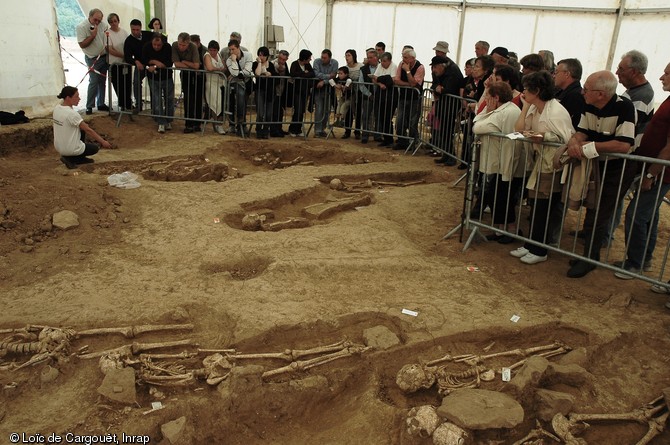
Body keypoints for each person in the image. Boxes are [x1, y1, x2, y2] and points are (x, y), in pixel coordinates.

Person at [564, 71, 637, 278]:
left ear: (601, 94)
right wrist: (574, 142)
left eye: (586, 89)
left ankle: (589, 259)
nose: (582, 91)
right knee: (592, 209)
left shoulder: (624, 107)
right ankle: (589, 256)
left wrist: (590, 145)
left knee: (599, 214)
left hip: (618, 168)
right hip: (597, 165)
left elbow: (623, 145)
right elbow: (580, 132)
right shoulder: (589, 105)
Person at [508, 71, 574, 265]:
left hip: (552, 165)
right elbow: (518, 129)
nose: (523, 92)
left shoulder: (556, 111)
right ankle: (531, 244)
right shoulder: (534, 108)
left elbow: (566, 139)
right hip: (539, 162)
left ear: (537, 90)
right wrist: (526, 106)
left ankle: (540, 248)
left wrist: (544, 137)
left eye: (527, 89)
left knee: (544, 207)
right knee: (535, 205)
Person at [615, 60, 667, 279]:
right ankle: (643, 259)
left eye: (667, 73)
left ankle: (634, 263)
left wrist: (650, 174)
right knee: (649, 215)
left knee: (636, 214)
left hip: (660, 172)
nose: (662, 77)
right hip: (655, 168)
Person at [473, 81, 523, 242]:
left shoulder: (509, 111)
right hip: (495, 161)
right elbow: (477, 122)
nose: (485, 99)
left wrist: (487, 111)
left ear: (496, 97)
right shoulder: (499, 110)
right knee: (497, 197)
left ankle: (511, 230)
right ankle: (501, 229)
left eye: (488, 96)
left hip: (505, 163)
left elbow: (478, 127)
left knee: (503, 198)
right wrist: (488, 110)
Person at [53, 86, 112, 169]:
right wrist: (103, 142)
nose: (79, 99)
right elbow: (88, 130)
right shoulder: (72, 114)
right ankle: (71, 159)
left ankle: (79, 158)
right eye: (76, 96)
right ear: (68, 98)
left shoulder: (57, 108)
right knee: (94, 149)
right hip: (69, 149)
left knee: (82, 131)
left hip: (59, 147)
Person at [430, 55, 464, 165]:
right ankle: (446, 154)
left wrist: (440, 89)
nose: (434, 70)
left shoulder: (453, 72)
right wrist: (437, 88)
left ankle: (451, 156)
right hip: (442, 105)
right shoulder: (440, 73)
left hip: (450, 106)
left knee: (447, 131)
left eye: (435, 67)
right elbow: (434, 85)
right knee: (443, 132)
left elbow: (450, 89)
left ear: (441, 66)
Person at [76, 8, 109, 115]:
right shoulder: (81, 27)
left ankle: (101, 103)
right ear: (89, 16)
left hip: (103, 56)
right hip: (92, 58)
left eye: (99, 20)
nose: (97, 22)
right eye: (95, 19)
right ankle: (89, 106)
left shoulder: (103, 25)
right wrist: (93, 35)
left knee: (102, 81)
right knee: (93, 81)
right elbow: (82, 44)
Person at [393, 48, 425, 150]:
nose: (403, 59)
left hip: (415, 99)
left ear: (412, 58)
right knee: (400, 121)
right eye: (403, 57)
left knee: (413, 122)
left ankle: (414, 143)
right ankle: (402, 142)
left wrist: (407, 71)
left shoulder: (420, 67)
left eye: (405, 57)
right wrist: (409, 84)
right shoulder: (401, 64)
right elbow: (397, 80)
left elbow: (415, 83)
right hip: (403, 97)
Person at [143, 32, 174, 133]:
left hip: (167, 77)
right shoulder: (147, 47)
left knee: (169, 99)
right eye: (154, 45)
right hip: (153, 78)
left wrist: (154, 63)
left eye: (159, 45)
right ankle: (161, 122)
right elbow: (144, 60)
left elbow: (168, 62)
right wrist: (153, 64)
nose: (156, 47)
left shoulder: (168, 47)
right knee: (156, 101)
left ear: (163, 43)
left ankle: (169, 120)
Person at [173, 33, 203, 133]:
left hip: (197, 75)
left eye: (184, 45)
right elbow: (176, 64)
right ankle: (188, 124)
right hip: (186, 75)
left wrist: (184, 61)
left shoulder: (193, 47)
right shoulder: (174, 45)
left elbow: (196, 65)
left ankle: (197, 123)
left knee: (198, 98)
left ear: (188, 43)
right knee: (188, 99)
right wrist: (190, 66)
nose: (181, 47)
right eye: (180, 44)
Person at [225, 39, 253, 136]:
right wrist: (233, 60)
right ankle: (238, 122)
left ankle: (242, 124)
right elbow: (235, 73)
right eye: (230, 50)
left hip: (247, 83)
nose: (231, 52)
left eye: (233, 49)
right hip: (236, 83)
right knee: (236, 100)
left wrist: (239, 74)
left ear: (238, 48)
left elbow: (248, 71)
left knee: (243, 101)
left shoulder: (248, 55)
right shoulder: (229, 60)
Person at [123, 19, 152, 113]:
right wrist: (136, 61)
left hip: (151, 64)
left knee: (154, 84)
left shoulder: (149, 35)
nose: (135, 32)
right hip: (140, 65)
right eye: (133, 30)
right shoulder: (128, 41)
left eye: (137, 29)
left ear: (141, 28)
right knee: (136, 83)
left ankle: (155, 106)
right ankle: (138, 105)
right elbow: (127, 56)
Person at [370, 52, 398, 147]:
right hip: (381, 93)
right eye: (381, 61)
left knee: (388, 118)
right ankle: (385, 138)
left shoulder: (394, 66)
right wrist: (381, 83)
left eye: (384, 61)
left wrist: (380, 79)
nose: (382, 63)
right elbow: (374, 78)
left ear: (389, 61)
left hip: (390, 95)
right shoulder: (379, 66)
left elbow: (393, 80)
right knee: (381, 117)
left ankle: (389, 139)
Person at [105, 13, 131, 111]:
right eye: (111, 22)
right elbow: (109, 49)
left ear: (118, 21)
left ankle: (128, 104)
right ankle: (122, 104)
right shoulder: (107, 33)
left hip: (125, 63)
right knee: (118, 84)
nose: (113, 23)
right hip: (114, 63)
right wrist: (123, 55)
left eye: (115, 21)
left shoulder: (124, 32)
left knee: (127, 84)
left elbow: (129, 45)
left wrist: (127, 57)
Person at [288, 49, 315, 137]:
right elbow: (292, 73)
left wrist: (302, 74)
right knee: (298, 110)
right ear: (304, 58)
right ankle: (292, 129)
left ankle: (298, 129)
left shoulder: (307, 65)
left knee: (302, 110)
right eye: (309, 58)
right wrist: (304, 73)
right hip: (296, 91)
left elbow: (312, 74)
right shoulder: (295, 64)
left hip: (305, 91)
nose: (310, 60)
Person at [252, 46, 278, 139]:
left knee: (268, 113)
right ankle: (259, 129)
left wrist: (270, 73)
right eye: (259, 55)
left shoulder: (271, 65)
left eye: (263, 55)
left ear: (267, 56)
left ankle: (266, 130)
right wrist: (259, 63)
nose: (261, 57)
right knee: (260, 112)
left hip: (270, 91)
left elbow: (275, 75)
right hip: (259, 90)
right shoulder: (255, 64)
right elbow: (257, 74)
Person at [312, 49, 339, 137]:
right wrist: (328, 76)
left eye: (325, 58)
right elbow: (316, 74)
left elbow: (334, 76)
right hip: (318, 90)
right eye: (322, 57)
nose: (322, 59)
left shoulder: (335, 63)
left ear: (329, 58)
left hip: (329, 90)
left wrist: (324, 81)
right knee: (319, 110)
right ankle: (317, 130)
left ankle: (322, 129)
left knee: (327, 110)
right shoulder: (316, 61)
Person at [203, 40, 227, 135]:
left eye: (215, 50)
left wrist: (220, 69)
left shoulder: (219, 55)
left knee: (221, 104)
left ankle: (218, 123)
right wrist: (220, 69)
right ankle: (217, 124)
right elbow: (209, 68)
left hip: (220, 82)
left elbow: (224, 67)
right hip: (211, 82)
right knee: (214, 103)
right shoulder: (207, 56)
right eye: (211, 50)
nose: (213, 52)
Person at [554, 58, 586, 129]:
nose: (554, 76)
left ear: (567, 74)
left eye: (556, 72)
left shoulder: (576, 96)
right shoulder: (561, 92)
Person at [359, 49, 381, 143]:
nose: (369, 59)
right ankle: (365, 135)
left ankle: (378, 135)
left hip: (380, 96)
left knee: (379, 116)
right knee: (365, 116)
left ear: (376, 57)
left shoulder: (383, 67)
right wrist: (369, 94)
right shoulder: (363, 69)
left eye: (371, 57)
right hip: (368, 96)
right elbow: (361, 84)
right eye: (368, 57)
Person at [342, 49, 364, 139]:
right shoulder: (345, 68)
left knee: (358, 112)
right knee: (348, 112)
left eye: (349, 55)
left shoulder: (360, 66)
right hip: (349, 93)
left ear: (354, 56)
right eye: (346, 55)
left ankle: (357, 131)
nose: (347, 57)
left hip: (359, 93)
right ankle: (347, 131)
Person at [270, 50, 290, 137]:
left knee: (280, 111)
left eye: (284, 59)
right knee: (275, 111)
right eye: (280, 58)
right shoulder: (273, 63)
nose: (281, 61)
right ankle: (274, 130)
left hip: (281, 90)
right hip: (274, 91)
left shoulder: (285, 65)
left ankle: (279, 128)